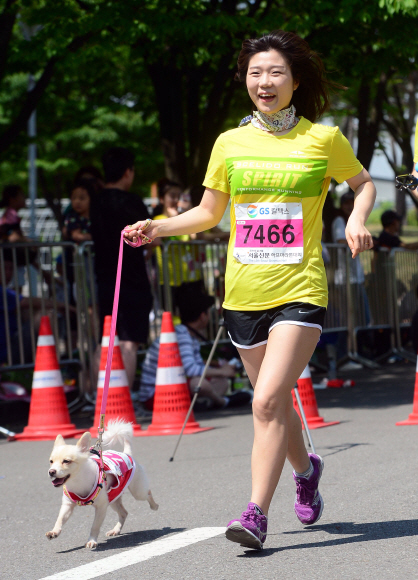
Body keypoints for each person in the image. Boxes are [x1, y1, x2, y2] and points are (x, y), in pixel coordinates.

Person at [124, 30, 376, 550]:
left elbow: (363, 182)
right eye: (255, 73)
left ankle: (255, 514)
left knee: (264, 401)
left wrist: (356, 218)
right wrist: (157, 227)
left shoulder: (323, 138)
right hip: (241, 293)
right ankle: (306, 470)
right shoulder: (229, 143)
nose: (265, 82)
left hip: (300, 288)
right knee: (274, 404)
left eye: (276, 72)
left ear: (295, 80)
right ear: (246, 80)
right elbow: (209, 212)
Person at [90, 147, 153, 390]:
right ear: (128, 172)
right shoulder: (132, 201)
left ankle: (98, 398)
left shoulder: (96, 201)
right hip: (132, 278)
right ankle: (124, 400)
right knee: (129, 341)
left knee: (105, 339)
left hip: (104, 277)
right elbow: (151, 235)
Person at [139, 283, 252, 410]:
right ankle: (221, 402)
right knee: (199, 383)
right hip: (155, 395)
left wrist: (219, 368)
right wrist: (222, 371)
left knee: (221, 382)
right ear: (202, 316)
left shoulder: (187, 334)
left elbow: (196, 364)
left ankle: (202, 403)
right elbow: (191, 369)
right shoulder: (182, 335)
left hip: (169, 389)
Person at [62, 179, 95, 244]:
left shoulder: (96, 217)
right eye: (74, 198)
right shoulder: (72, 218)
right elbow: (77, 236)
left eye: (82, 198)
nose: (77, 202)